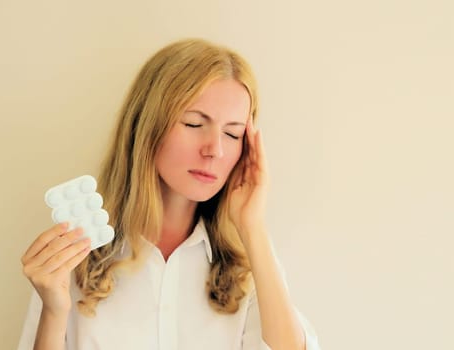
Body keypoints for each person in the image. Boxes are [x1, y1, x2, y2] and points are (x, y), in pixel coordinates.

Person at [18, 38, 320, 350]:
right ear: (148, 125)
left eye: (232, 133)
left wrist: (251, 226)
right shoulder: (75, 258)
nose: (214, 150)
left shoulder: (250, 269)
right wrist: (54, 311)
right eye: (193, 123)